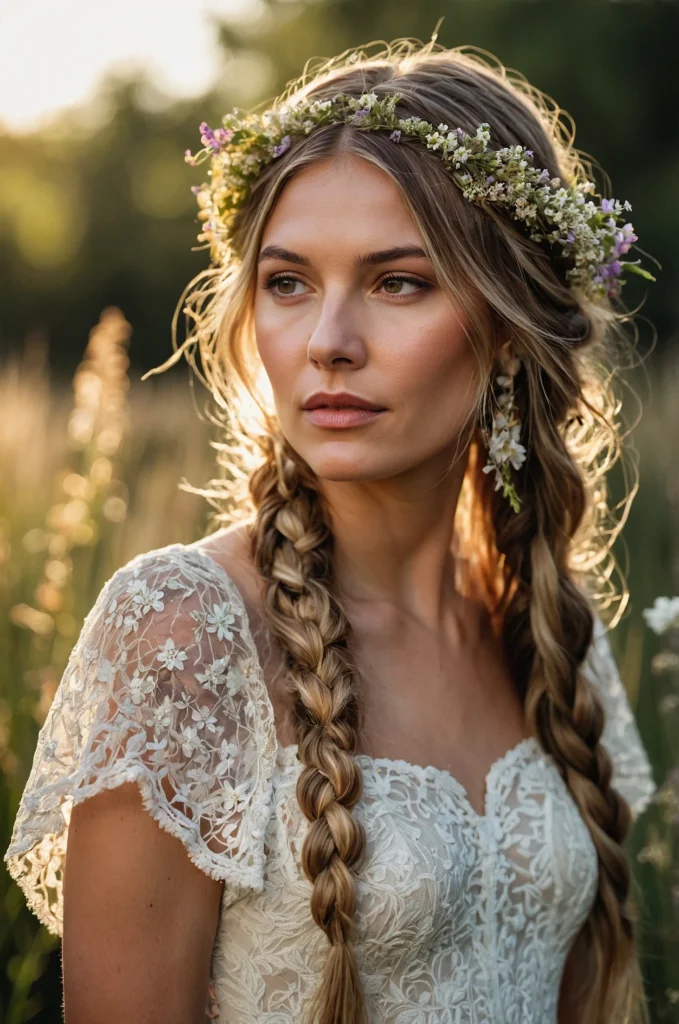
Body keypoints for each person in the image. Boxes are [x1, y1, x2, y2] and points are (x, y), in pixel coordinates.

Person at [4, 32, 659, 1024]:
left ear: (510, 327)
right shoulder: (184, 633)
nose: (328, 342)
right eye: (288, 282)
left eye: (399, 282)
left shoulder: (554, 631)